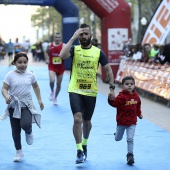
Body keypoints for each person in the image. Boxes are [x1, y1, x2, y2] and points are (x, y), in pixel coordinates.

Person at [59, 23, 115, 164]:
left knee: (87, 122)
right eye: (81, 34)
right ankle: (78, 150)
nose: (83, 36)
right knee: (77, 119)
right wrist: (72, 38)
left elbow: (108, 70)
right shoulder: (74, 49)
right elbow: (62, 55)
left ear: (91, 35)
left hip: (90, 91)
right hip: (75, 89)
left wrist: (112, 88)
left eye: (86, 34)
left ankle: (84, 144)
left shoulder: (98, 52)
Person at [1, 52, 44, 162]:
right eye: (19, 62)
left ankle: (29, 131)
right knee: (15, 130)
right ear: (14, 63)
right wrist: (6, 97)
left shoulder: (31, 74)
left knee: (25, 124)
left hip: (26, 104)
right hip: (13, 105)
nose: (22, 64)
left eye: (25, 62)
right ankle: (19, 151)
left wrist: (39, 100)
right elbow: (4, 89)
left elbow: (36, 87)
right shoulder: (10, 75)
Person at [108, 76, 143, 165]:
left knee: (130, 139)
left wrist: (139, 114)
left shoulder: (136, 96)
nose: (129, 86)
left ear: (134, 85)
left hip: (132, 122)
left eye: (131, 84)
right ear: (122, 86)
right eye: (127, 84)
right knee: (118, 139)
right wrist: (110, 99)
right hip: (121, 122)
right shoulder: (121, 96)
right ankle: (116, 134)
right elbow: (114, 103)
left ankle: (130, 155)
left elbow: (138, 106)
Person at [45, 32, 65, 105]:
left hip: (60, 67)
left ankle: (55, 98)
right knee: (52, 80)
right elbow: (46, 52)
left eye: (59, 37)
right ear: (54, 38)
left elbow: (67, 54)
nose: (57, 39)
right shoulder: (50, 45)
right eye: (56, 37)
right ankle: (52, 91)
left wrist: (64, 56)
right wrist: (47, 59)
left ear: (61, 38)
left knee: (59, 84)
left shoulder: (63, 46)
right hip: (52, 66)